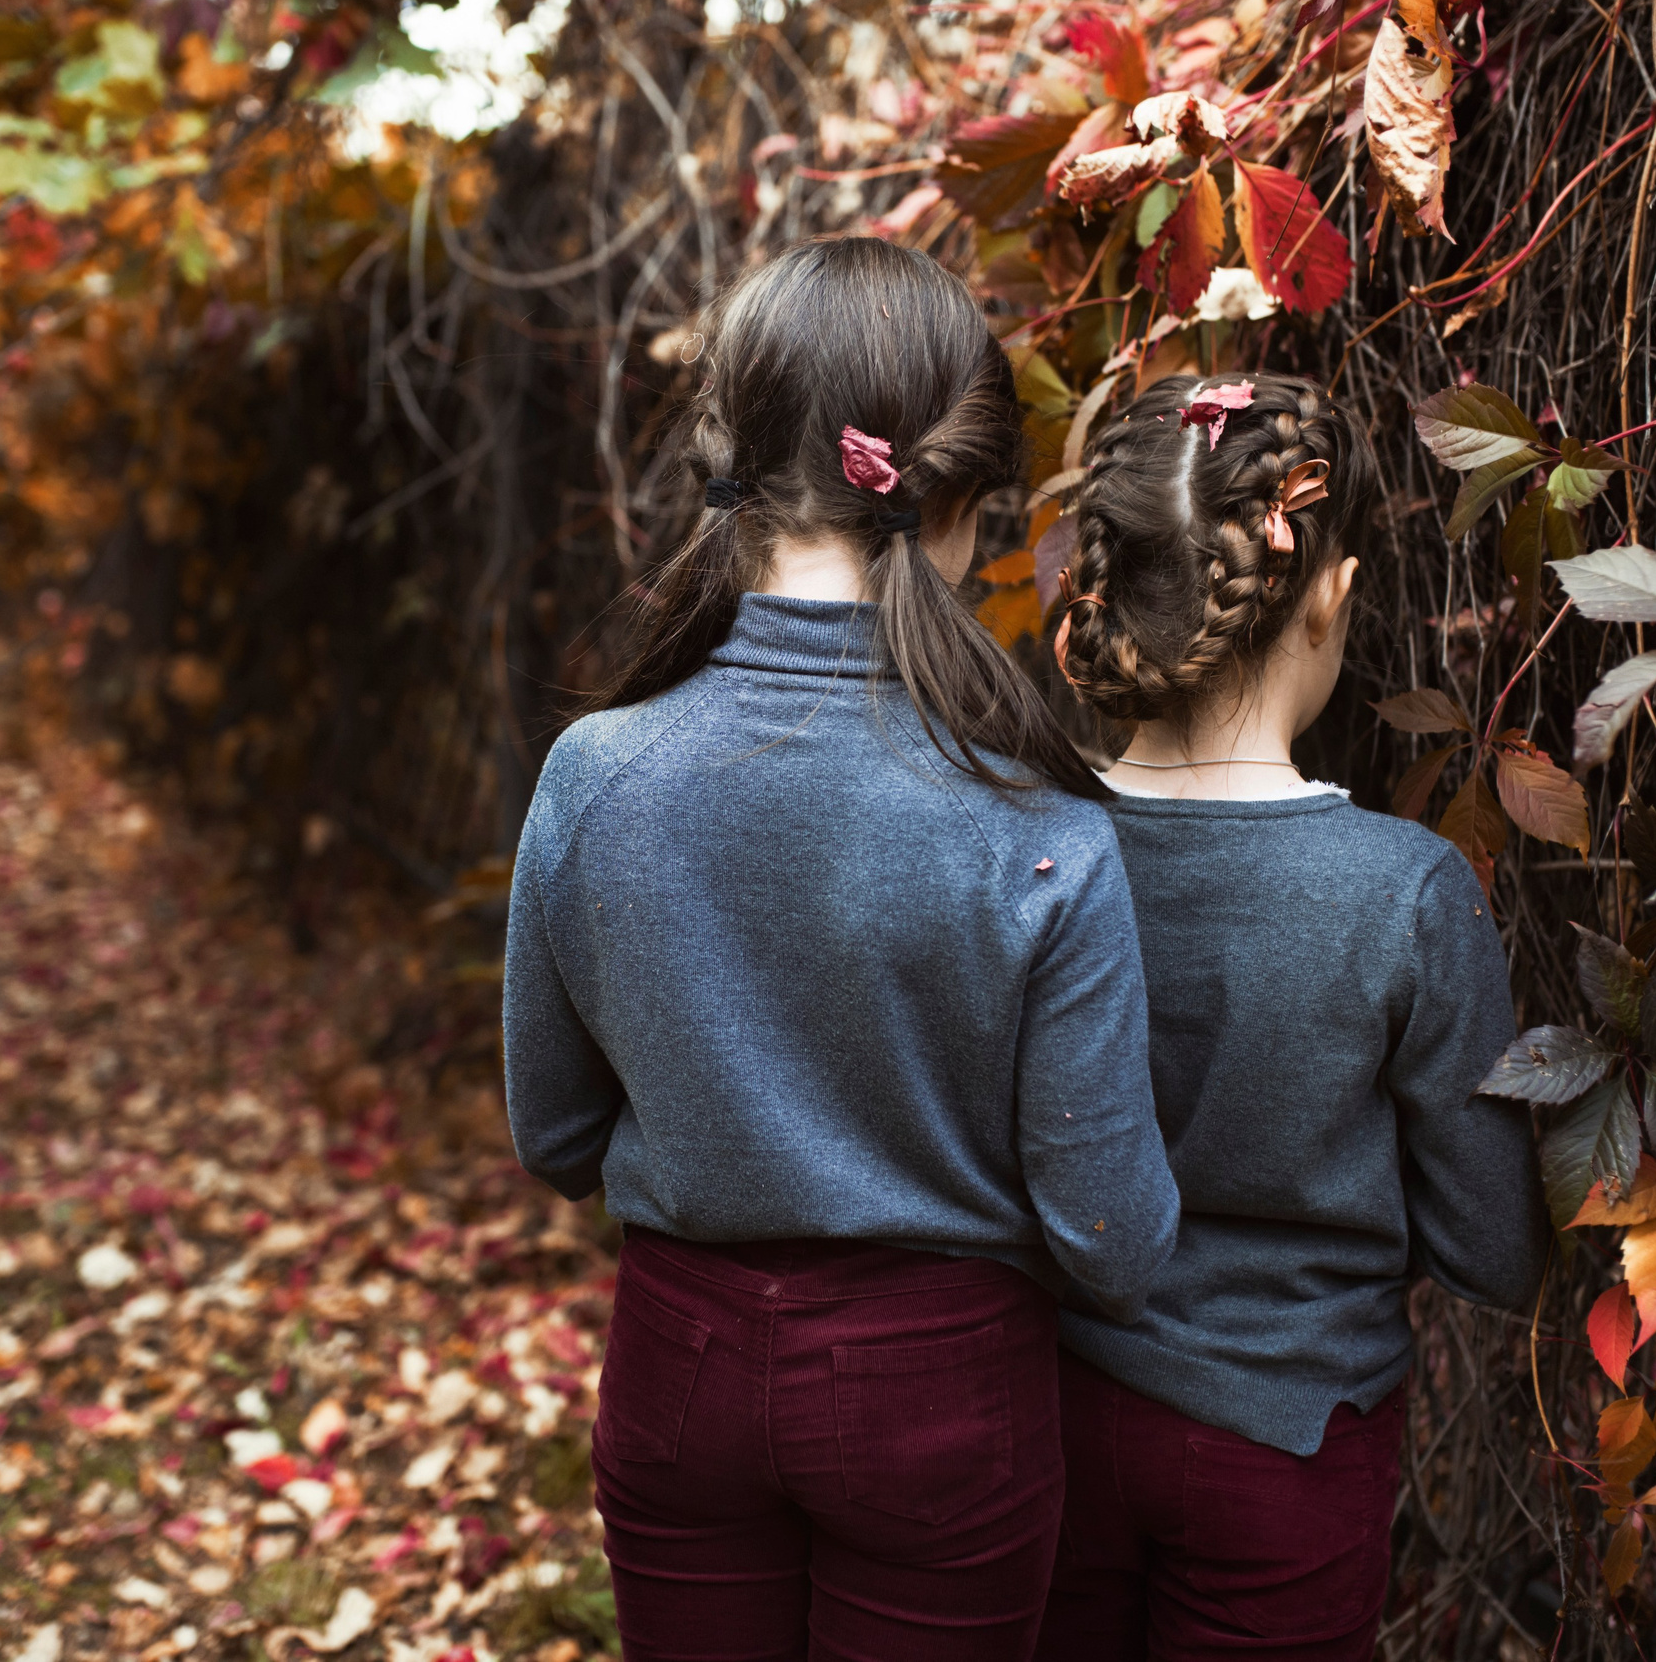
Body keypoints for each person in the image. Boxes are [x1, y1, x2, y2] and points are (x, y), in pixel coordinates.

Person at [501, 237, 1180, 1662]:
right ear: (965, 508)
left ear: (730, 461)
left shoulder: (593, 775)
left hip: (675, 1370)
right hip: (942, 1401)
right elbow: (1108, 1240)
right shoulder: (1039, 826)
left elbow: (557, 1135)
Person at [1034, 374, 1549, 1662]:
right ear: (1329, 592)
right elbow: (1495, 1245)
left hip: (1049, 1416)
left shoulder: (1026, 848)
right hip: (1292, 1439)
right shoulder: (1405, 892)